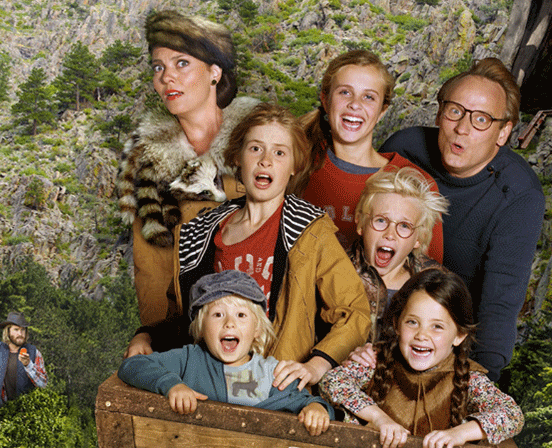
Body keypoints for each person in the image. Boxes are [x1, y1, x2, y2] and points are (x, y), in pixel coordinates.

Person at [124, 103, 371, 391]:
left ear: (294, 166)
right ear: (237, 158)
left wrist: (317, 365)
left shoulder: (311, 231)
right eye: (255, 148)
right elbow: (182, 318)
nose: (265, 161)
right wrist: (147, 336)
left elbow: (354, 312)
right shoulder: (201, 232)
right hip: (206, 386)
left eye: (279, 153)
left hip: (274, 391)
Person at [380, 58, 545, 381]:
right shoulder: (404, 150)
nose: (462, 128)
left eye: (482, 119)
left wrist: (478, 383)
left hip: (445, 349)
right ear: (439, 113)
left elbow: (499, 305)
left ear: (503, 132)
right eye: (455, 111)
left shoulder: (519, 195)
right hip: (377, 321)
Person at [116, 10, 260, 326]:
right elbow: (152, 272)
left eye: (181, 63)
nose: (167, 77)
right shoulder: (149, 164)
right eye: (158, 67)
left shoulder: (262, 141)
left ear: (214, 72)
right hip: (189, 329)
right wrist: (155, 335)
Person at [320, 269, 524, 448]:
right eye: (412, 322)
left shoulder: (469, 378)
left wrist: (459, 434)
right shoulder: (376, 360)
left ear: (459, 335)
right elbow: (332, 381)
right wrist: (379, 418)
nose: (422, 335)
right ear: (397, 324)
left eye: (437, 326)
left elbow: (512, 414)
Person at [119, 270, 333, 436]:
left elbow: (308, 401)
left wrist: (317, 408)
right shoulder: (189, 359)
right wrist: (172, 385)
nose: (230, 323)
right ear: (201, 328)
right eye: (218, 315)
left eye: (241, 315)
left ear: (257, 330)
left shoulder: (273, 373)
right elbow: (132, 365)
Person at [300, 50, 443, 263]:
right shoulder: (295, 161)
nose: (355, 104)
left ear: (382, 111)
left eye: (368, 97)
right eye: (345, 92)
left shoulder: (415, 184)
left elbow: (429, 274)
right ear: (325, 100)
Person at [348, 166, 448, 341]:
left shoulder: (437, 281)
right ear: (360, 223)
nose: (390, 234)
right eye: (380, 220)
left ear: (419, 238)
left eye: (404, 226)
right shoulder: (334, 270)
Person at [0, 311, 47, 405]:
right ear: (8, 331)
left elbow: (43, 384)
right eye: (16, 329)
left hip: (24, 409)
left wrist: (28, 365)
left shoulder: (34, 352)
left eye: (23, 330)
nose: (20, 334)